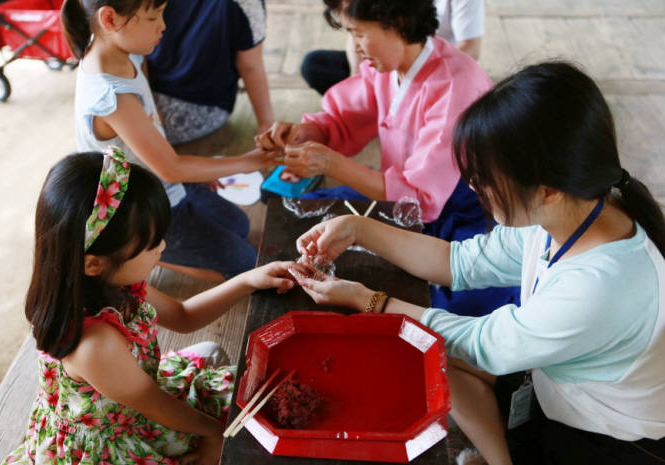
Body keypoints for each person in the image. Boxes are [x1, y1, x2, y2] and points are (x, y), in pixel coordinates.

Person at [291, 62, 665, 465]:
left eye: (486, 176)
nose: (473, 186)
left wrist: (368, 301)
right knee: (432, 355)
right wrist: (358, 228)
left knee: (431, 350)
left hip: (607, 440)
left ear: (548, 189)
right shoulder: (574, 209)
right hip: (558, 387)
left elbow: (486, 346)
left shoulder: (599, 286)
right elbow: (459, 261)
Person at [2, 150, 300, 465]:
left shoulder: (112, 286)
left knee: (252, 395)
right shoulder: (95, 345)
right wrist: (216, 435)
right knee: (246, 433)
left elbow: (183, 317)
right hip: (111, 439)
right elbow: (156, 404)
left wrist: (247, 281)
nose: (164, 247)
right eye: (151, 244)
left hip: (138, 399)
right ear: (93, 263)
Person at [256, 0, 517, 317]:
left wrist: (331, 164)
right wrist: (304, 133)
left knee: (461, 309)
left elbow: (422, 199)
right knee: (307, 220)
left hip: (465, 214)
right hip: (404, 199)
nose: (355, 47)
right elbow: (342, 120)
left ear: (400, 23)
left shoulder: (454, 82)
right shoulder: (385, 69)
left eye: (359, 34)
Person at [61, 0, 279, 283]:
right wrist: (251, 161)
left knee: (239, 225)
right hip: (138, 208)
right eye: (153, 18)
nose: (163, 25)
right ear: (110, 19)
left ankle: (153, 247)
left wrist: (193, 174)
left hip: (156, 181)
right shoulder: (111, 96)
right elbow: (171, 169)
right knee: (247, 265)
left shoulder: (118, 48)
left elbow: (165, 161)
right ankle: (139, 254)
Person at [146, 0, 274, 144]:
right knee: (125, 132)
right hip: (144, 81)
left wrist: (266, 124)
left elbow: (250, 67)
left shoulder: (246, 4)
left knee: (132, 136)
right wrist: (143, 97)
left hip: (198, 102)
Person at [301, 0, 485, 95]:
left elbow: (471, 48)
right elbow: (358, 27)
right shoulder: (373, 54)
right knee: (315, 65)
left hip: (426, 64)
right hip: (385, 58)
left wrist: (418, 77)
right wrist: (359, 82)